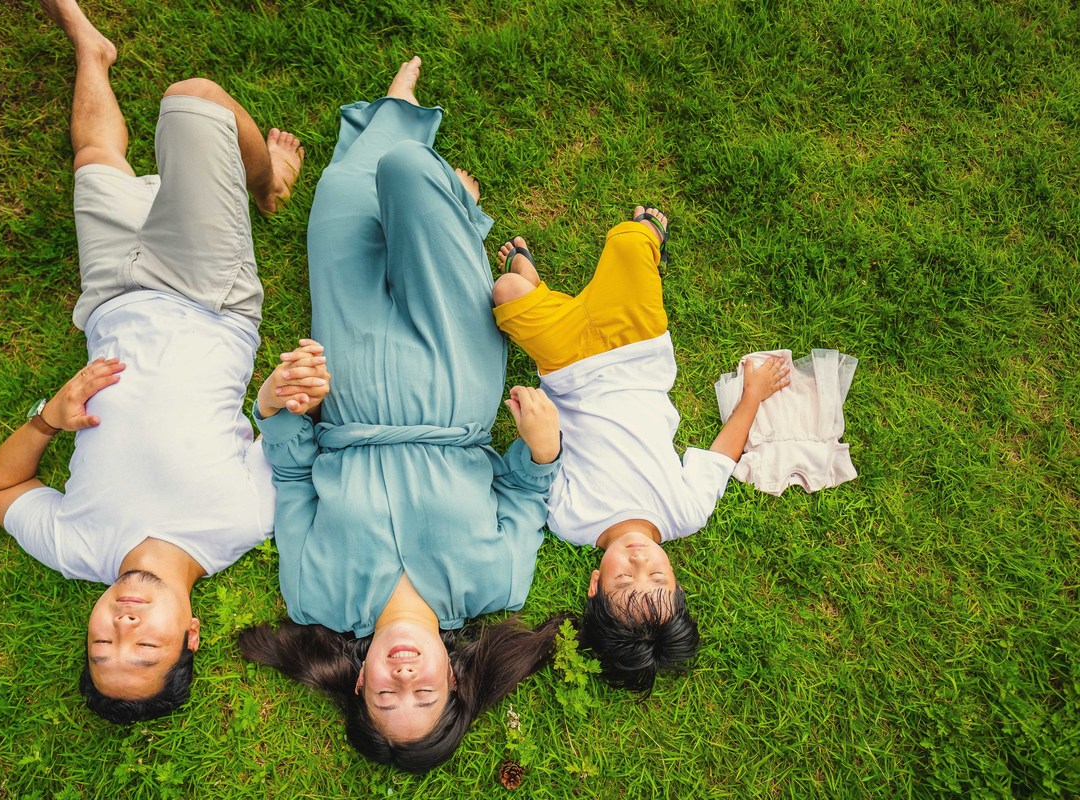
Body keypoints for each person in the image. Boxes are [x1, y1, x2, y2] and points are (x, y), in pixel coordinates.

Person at [236, 57, 565, 773]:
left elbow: (291, 478)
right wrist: (542, 450)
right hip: (457, 385)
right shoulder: (497, 583)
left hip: (346, 385)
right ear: (456, 680)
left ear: (359, 683)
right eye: (427, 697)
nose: (405, 681)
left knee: (345, 196)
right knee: (411, 170)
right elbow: (527, 491)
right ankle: (447, 208)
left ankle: (404, 120)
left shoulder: (313, 592)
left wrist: (277, 403)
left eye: (388, 699)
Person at [0, 0, 304, 723]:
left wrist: (47, 420)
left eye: (101, 647)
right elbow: (281, 432)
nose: (123, 629)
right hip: (207, 297)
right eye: (145, 650)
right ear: (190, 634)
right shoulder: (245, 521)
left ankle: (92, 53)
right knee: (193, 100)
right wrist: (280, 397)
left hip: (108, 303)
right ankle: (268, 178)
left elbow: (0, 491)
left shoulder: (77, 548)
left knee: (97, 162)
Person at [490, 207, 790, 692]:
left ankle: (532, 281)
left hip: (565, 365)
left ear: (594, 586)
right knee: (629, 242)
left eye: (624, 582)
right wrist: (752, 395)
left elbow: (540, 470)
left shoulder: (571, 522)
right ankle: (649, 235)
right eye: (657, 578)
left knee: (504, 293)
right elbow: (722, 454)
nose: (638, 563)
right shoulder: (686, 512)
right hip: (637, 349)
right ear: (676, 579)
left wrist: (538, 440)